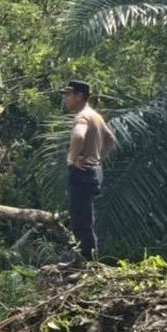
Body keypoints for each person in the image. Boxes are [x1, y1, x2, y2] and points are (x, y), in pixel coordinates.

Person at [61, 80, 116, 263]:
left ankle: (86, 263)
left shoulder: (82, 116)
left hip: (82, 173)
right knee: (83, 218)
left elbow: (78, 135)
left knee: (81, 220)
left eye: (69, 94)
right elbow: (110, 140)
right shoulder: (96, 116)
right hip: (94, 171)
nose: (66, 98)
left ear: (79, 96)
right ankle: (82, 260)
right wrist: (98, 158)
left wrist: (72, 158)